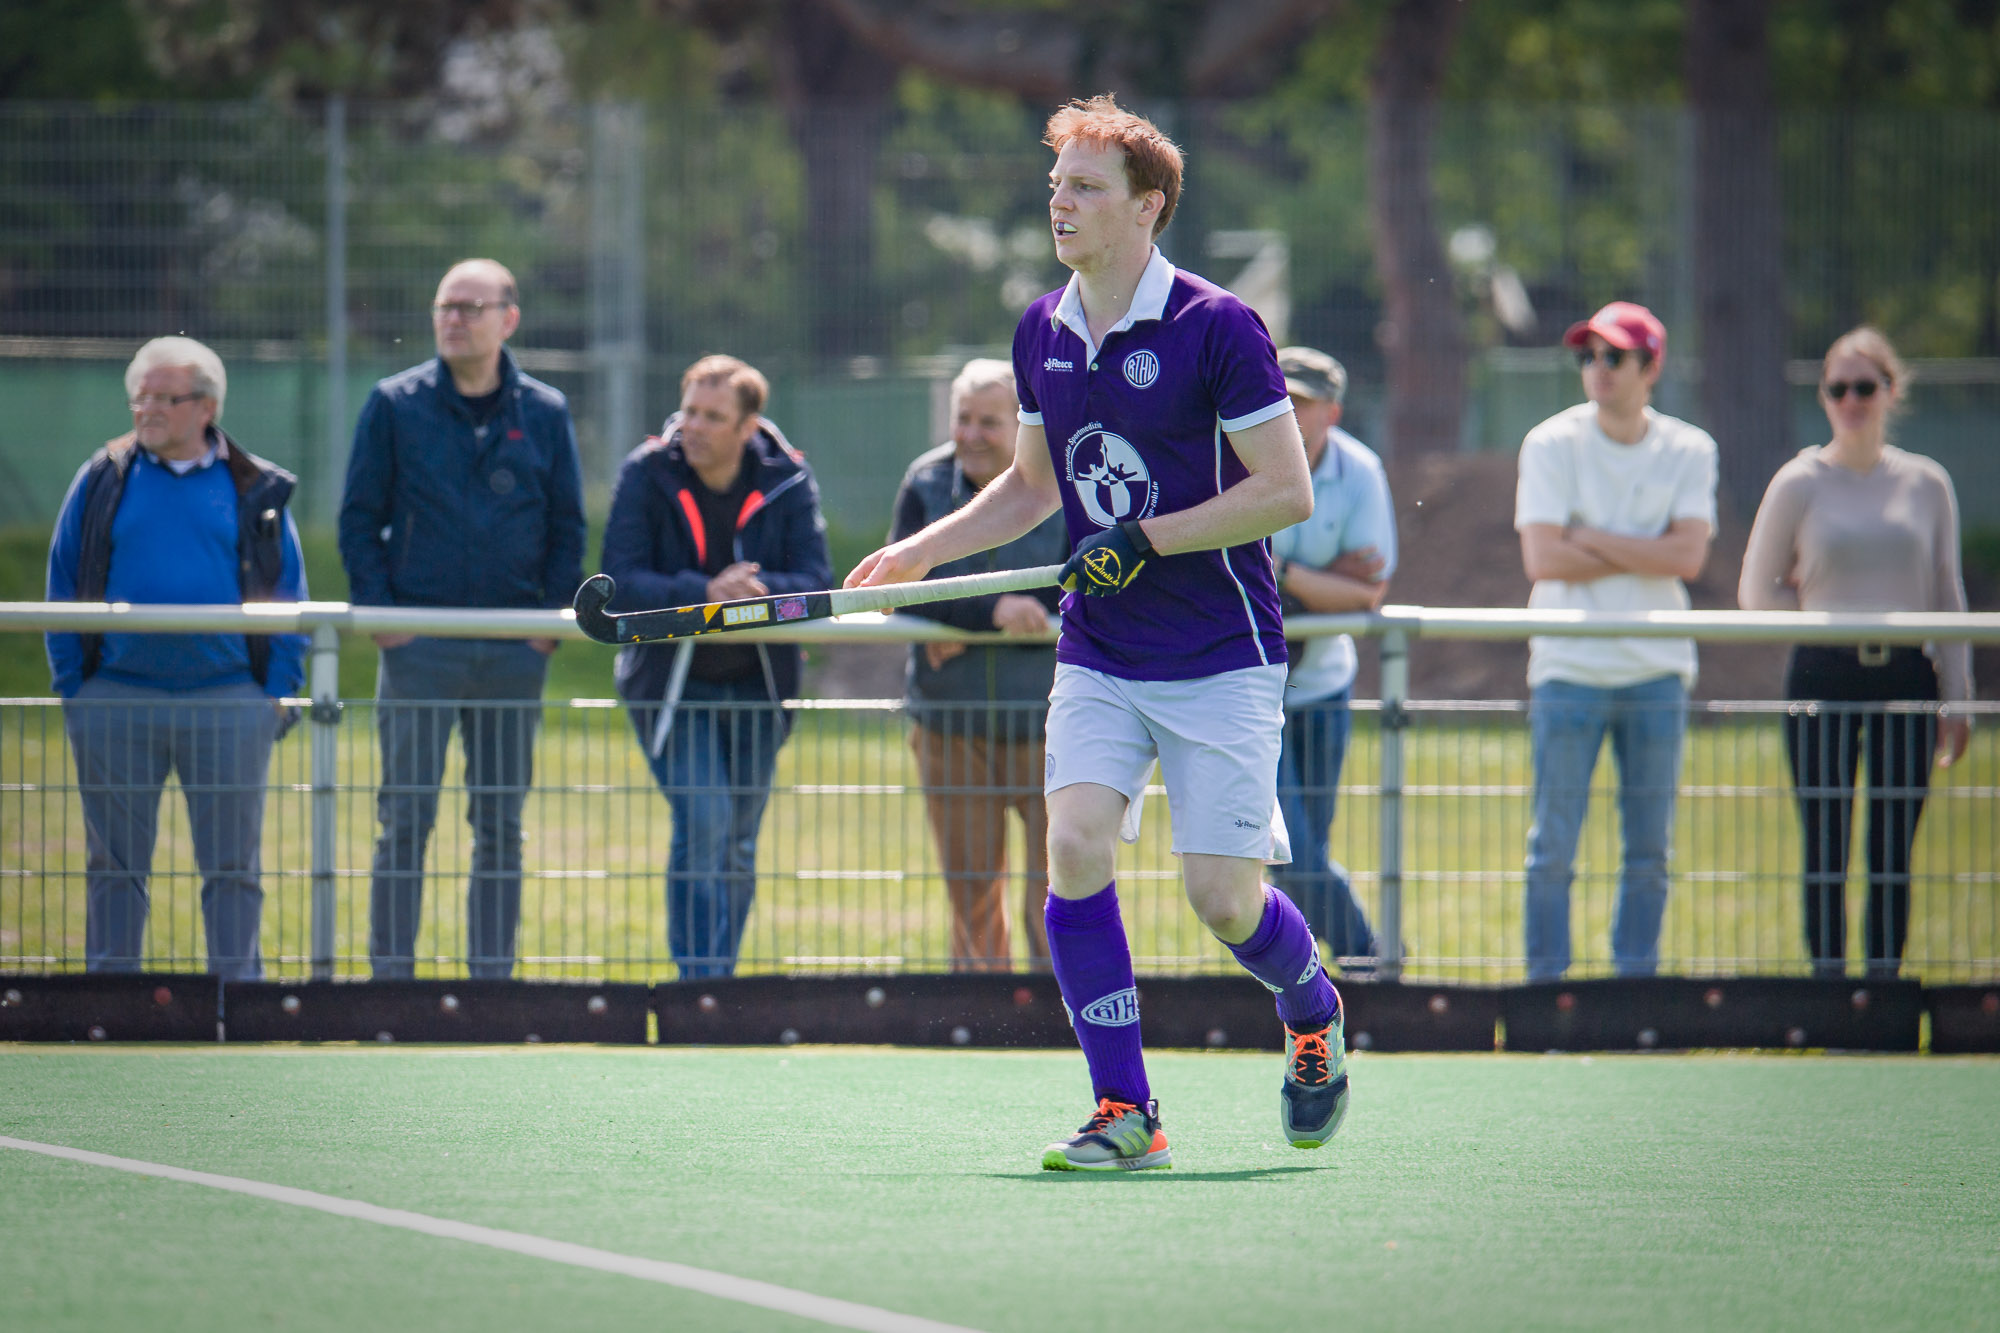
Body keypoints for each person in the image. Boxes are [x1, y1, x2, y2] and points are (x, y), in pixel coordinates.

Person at [848, 95, 1345, 1171]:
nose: (1059, 203)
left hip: (1219, 652)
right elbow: (1031, 487)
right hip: (1101, 650)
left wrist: (1145, 538)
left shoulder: (1218, 326)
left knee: (1222, 899)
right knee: (1072, 847)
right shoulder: (1041, 328)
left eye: (1084, 187)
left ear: (1147, 206)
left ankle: (1310, 1005)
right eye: (1055, 185)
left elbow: (1284, 491)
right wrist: (921, 553)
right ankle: (1127, 1109)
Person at [339, 259, 586, 980]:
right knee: (404, 820)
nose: (454, 319)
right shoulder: (394, 404)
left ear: (508, 319)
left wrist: (546, 626)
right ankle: (391, 986)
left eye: (471, 307)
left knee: (500, 825)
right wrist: (384, 617)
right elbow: (359, 519)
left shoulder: (545, 412)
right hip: (419, 647)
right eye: (445, 306)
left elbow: (568, 526)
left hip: (514, 649)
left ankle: (491, 988)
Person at [46, 337, 307, 979]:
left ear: (207, 407)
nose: (149, 410)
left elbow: (288, 594)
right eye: (141, 398)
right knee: (113, 865)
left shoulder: (254, 488)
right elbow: (62, 585)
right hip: (116, 700)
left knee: (233, 866)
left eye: (167, 398)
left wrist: (272, 694)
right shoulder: (102, 479)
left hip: (229, 701)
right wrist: (78, 691)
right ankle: (111, 1005)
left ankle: (235, 1003)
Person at [1738, 327, 1973, 979]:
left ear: (1890, 391)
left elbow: (1947, 593)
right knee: (1825, 843)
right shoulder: (1799, 481)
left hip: (1906, 674)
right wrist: (1822, 621)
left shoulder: (1926, 483)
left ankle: (1883, 991)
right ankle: (1830, 994)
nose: (1850, 401)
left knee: (1893, 848)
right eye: (1837, 388)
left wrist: (1958, 697)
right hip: (1824, 672)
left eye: (1864, 387)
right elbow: (1755, 590)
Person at [600, 355, 831, 980]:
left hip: (760, 686)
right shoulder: (646, 471)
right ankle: (697, 986)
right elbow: (619, 580)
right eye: (689, 412)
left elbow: (816, 581)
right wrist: (704, 592)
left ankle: (717, 989)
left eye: (712, 416)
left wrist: (755, 592)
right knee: (704, 821)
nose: (692, 427)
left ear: (748, 426)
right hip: (670, 687)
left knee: (737, 840)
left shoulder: (790, 479)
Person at [1515, 301, 1717, 983]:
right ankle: (1545, 991)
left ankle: (1636, 991)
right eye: (1588, 355)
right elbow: (1544, 558)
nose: (1598, 368)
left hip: (1657, 667)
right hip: (1567, 665)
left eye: (1615, 356)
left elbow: (1688, 557)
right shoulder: (1549, 442)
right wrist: (1644, 549)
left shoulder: (1690, 449)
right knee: (1552, 849)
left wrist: (1587, 535)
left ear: (1651, 367)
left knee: (1650, 852)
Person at [891, 359, 1068, 972]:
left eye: (989, 422)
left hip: (1052, 724)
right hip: (950, 722)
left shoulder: (1068, 478)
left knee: (1059, 891)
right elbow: (900, 584)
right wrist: (991, 612)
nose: (971, 434)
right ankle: (981, 1015)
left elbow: (1088, 582)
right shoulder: (924, 482)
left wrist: (963, 621)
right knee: (971, 895)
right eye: (962, 418)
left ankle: (1061, 1011)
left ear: (1023, 425)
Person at [1268, 346, 1395, 972]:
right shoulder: (1235, 457)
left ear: (1333, 413)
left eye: (1303, 401)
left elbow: (1369, 591)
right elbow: (1229, 575)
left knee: (1304, 849)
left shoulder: (1362, 470)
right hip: (1250, 688)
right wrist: (1324, 579)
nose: (1287, 410)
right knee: (1289, 851)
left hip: (1324, 686)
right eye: (1280, 396)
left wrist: (1282, 571)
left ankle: (1303, 978)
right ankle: (1368, 954)